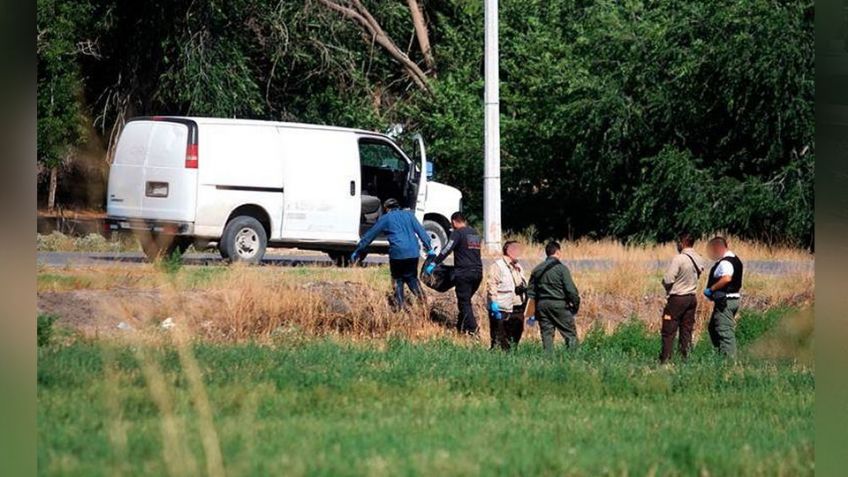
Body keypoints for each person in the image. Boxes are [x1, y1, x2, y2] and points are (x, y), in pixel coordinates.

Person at [351, 198, 434, 311]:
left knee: (397, 279)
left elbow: (371, 234)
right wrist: (429, 248)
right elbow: (421, 232)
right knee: (412, 278)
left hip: (398, 253)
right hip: (413, 252)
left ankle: (400, 308)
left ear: (387, 208)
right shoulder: (409, 215)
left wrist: (359, 249)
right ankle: (423, 303)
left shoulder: (386, 218)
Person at [424, 212, 483, 336]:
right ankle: (460, 329)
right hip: (478, 273)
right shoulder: (474, 233)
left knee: (464, 302)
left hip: (464, 274)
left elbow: (446, 250)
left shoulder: (457, 233)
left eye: (452, 223)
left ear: (454, 221)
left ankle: (473, 331)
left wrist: (434, 263)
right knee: (466, 301)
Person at [659, 233, 706, 363]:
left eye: (678, 242)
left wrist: (665, 285)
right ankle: (685, 358)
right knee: (686, 330)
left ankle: (665, 360)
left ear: (682, 243)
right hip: (692, 298)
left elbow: (668, 278)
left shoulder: (679, 258)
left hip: (677, 298)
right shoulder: (699, 258)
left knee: (668, 330)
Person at [525, 241, 581, 351]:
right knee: (570, 334)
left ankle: (548, 361)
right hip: (559, 305)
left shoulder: (537, 269)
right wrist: (575, 305)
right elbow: (571, 291)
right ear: (558, 252)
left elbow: (530, 292)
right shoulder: (561, 269)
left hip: (542, 306)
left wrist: (530, 313)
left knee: (547, 336)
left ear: (547, 253)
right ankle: (574, 359)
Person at [704, 236, 744, 358]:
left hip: (726, 301)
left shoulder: (725, 262)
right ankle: (721, 355)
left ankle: (729, 363)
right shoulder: (735, 259)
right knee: (713, 328)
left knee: (724, 331)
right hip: (732, 300)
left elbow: (727, 278)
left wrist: (712, 289)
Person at [486, 240, 528, 350]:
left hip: (517, 309)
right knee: (499, 341)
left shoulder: (518, 267)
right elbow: (491, 285)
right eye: (516, 249)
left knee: (514, 340)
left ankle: (511, 358)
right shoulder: (497, 266)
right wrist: (493, 303)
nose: (519, 252)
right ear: (509, 251)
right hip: (501, 309)